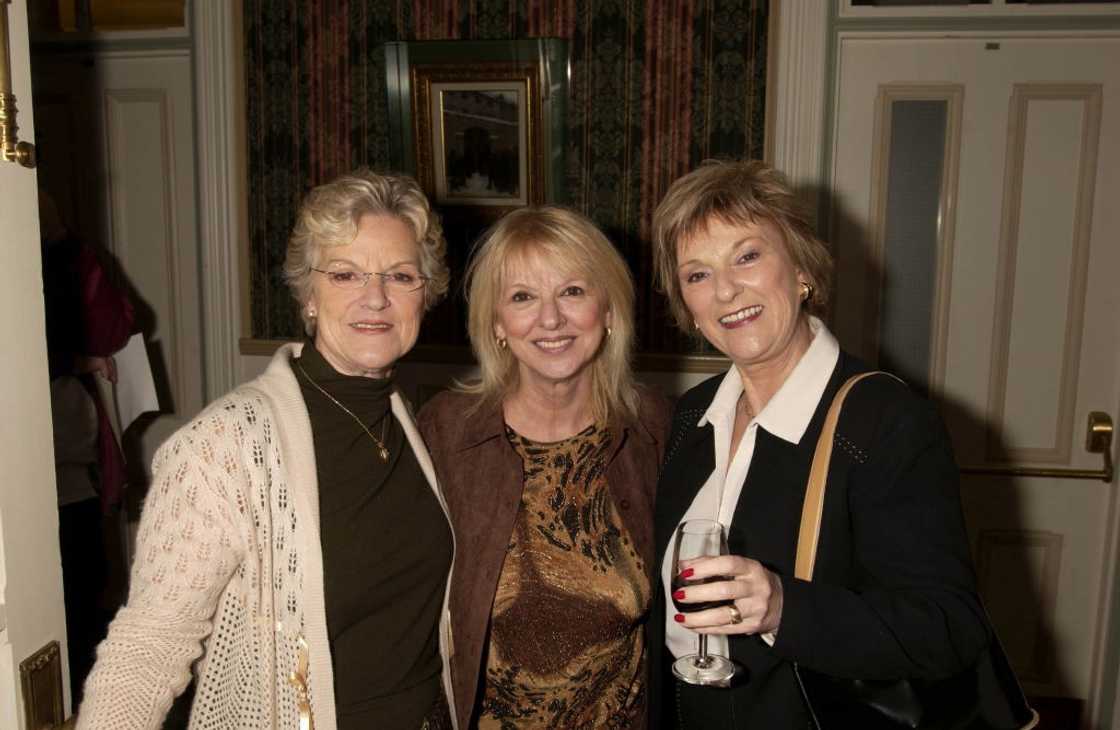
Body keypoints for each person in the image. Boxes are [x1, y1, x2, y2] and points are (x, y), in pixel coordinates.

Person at [78, 170, 458, 730]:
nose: (375, 298)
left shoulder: (413, 423)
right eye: (345, 273)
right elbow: (146, 648)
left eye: (400, 275)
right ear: (307, 293)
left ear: (426, 293)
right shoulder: (223, 447)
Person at [649, 160, 989, 728]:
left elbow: (947, 628)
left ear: (801, 267)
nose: (726, 289)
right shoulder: (691, 417)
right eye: (697, 274)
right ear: (686, 305)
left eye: (748, 256)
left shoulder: (883, 422)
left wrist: (783, 606)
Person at [418, 206, 671, 728]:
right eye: (522, 297)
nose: (550, 319)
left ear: (609, 311)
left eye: (573, 291)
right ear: (497, 324)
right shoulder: (445, 431)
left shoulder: (656, 429)